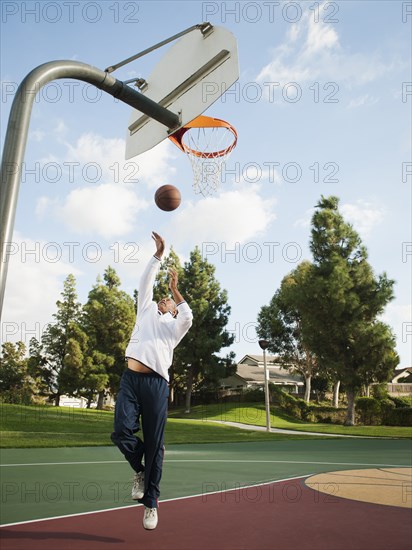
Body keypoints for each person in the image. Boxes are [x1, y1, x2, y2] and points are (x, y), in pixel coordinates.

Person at [111, 232, 193, 530]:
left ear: (173, 309)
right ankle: (140, 470)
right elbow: (145, 282)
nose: (165, 299)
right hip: (131, 380)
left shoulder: (174, 328)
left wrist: (176, 289)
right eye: (165, 297)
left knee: (156, 444)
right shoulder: (145, 310)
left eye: (170, 300)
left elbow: (188, 317)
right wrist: (159, 253)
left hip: (157, 385)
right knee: (121, 432)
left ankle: (151, 503)